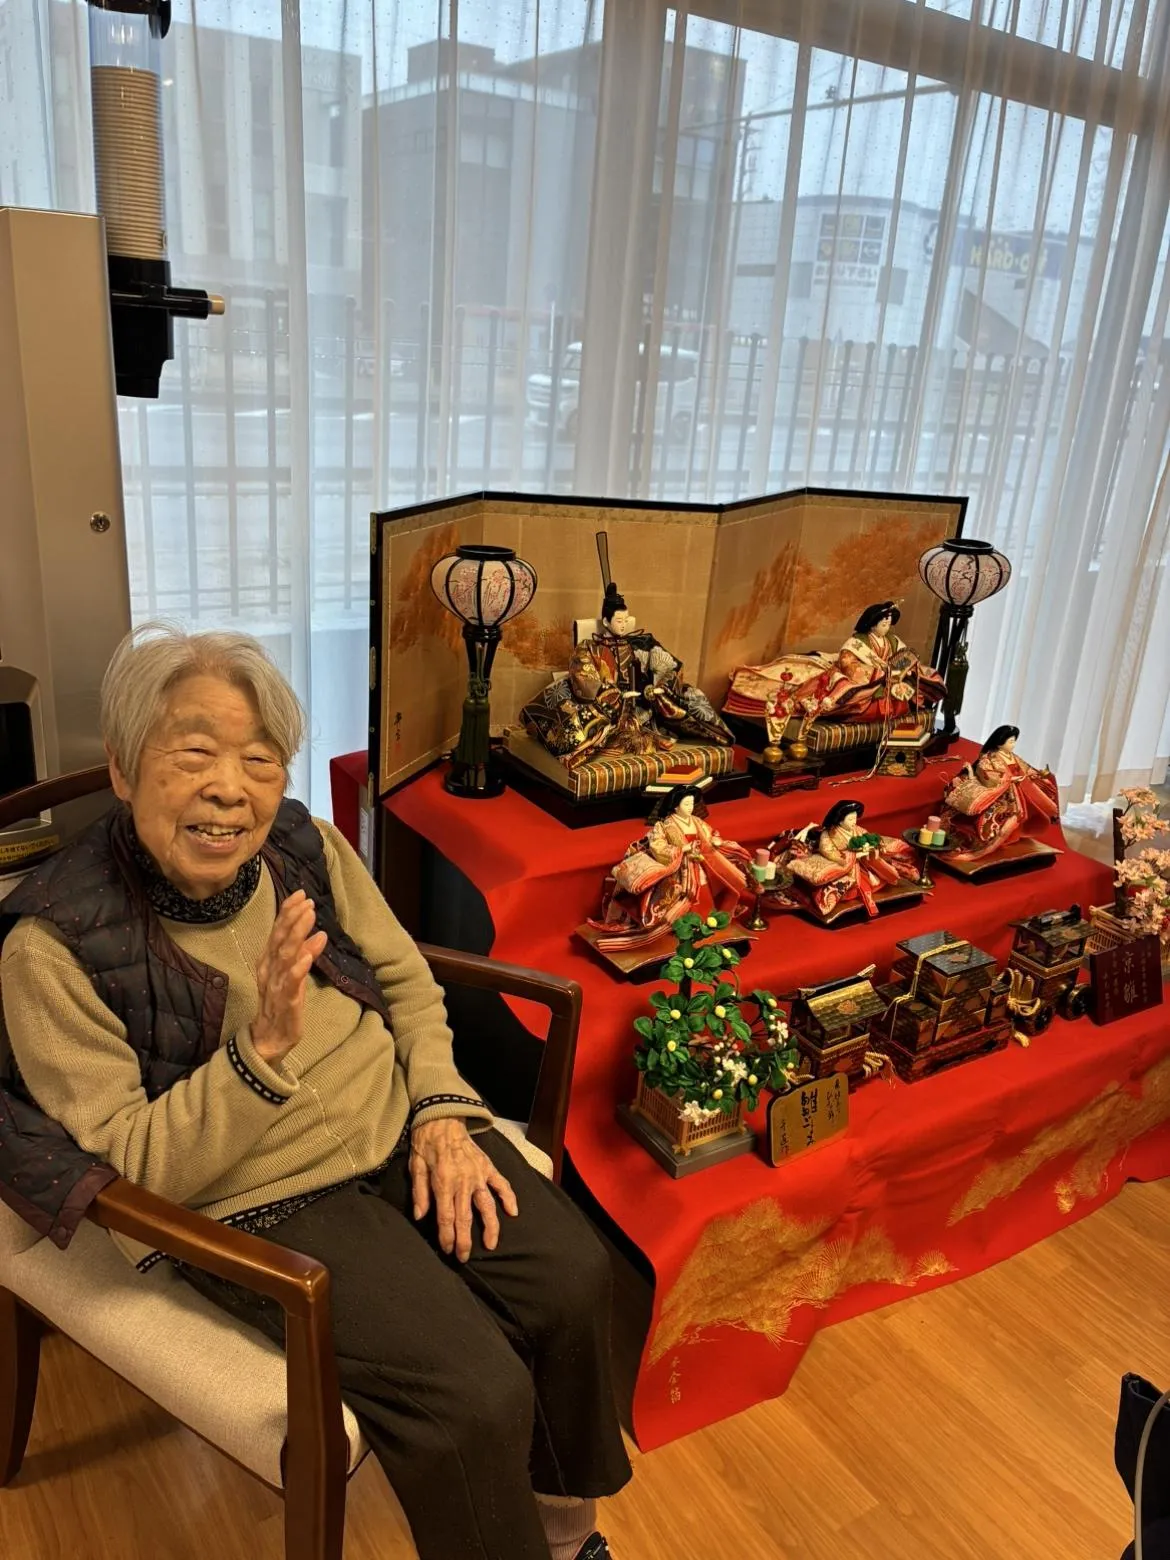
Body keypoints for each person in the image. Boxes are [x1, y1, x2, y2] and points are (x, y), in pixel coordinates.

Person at [0, 625, 630, 1560]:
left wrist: (443, 1111)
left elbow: (404, 975)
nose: (231, 789)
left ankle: (567, 1535)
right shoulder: (51, 946)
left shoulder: (304, 843)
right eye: (194, 755)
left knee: (575, 1277)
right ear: (125, 771)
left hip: (398, 1122)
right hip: (257, 1199)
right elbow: (134, 1167)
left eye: (260, 760)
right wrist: (258, 1053)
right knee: (471, 1391)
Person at [521, 580, 733, 767]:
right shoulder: (589, 647)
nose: (623, 625)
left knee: (691, 697)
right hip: (610, 709)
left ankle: (703, 733)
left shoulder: (641, 644)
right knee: (574, 721)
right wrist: (615, 695)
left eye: (626, 620)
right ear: (606, 622)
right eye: (618, 621)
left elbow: (669, 665)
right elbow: (584, 678)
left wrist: (656, 688)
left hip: (642, 706)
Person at [725, 600, 946, 747]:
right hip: (867, 684)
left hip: (889, 685)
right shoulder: (857, 642)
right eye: (883, 622)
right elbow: (848, 662)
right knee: (829, 687)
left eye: (889, 622)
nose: (886, 625)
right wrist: (877, 674)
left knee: (921, 678)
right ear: (872, 623)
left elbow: (905, 658)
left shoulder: (893, 641)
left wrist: (903, 670)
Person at [590, 783, 751, 949]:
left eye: (691, 804)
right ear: (675, 806)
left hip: (699, 861)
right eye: (686, 804)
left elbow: (711, 833)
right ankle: (682, 925)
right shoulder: (665, 825)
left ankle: (704, 920)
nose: (690, 807)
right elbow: (657, 845)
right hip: (680, 866)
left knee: (707, 887)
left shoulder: (696, 821)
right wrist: (682, 849)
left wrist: (714, 840)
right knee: (683, 893)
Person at [773, 798, 922, 919]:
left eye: (855, 818)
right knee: (844, 883)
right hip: (847, 866)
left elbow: (867, 837)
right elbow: (828, 851)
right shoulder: (829, 834)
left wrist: (872, 846)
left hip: (863, 865)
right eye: (850, 819)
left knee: (881, 870)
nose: (854, 822)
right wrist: (852, 855)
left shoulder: (857, 830)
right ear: (839, 820)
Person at [939, 723, 1060, 863]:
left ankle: (1009, 837)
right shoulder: (989, 758)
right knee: (1009, 818)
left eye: (1014, 741)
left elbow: (1025, 768)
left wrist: (1037, 774)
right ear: (1000, 741)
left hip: (1017, 790)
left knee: (1023, 812)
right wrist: (1009, 779)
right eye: (1010, 741)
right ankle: (982, 846)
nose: (1013, 744)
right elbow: (987, 775)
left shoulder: (1012, 756)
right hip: (1001, 794)